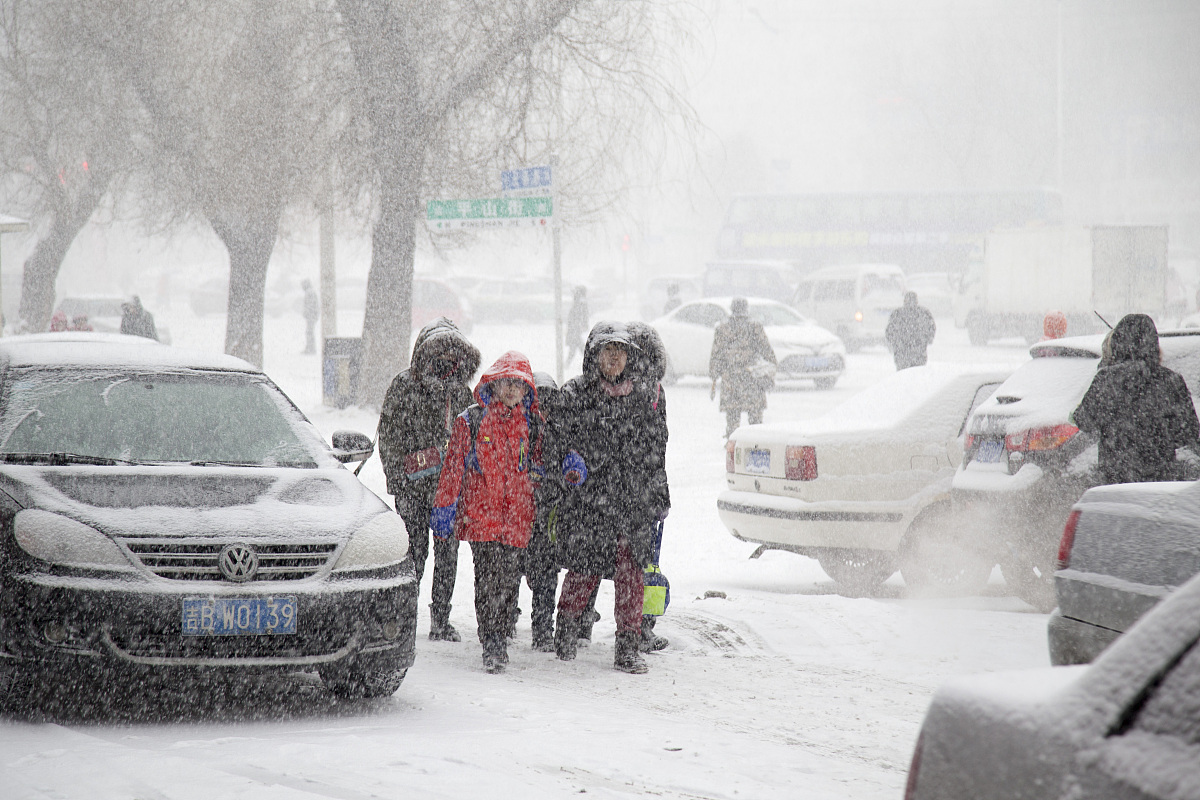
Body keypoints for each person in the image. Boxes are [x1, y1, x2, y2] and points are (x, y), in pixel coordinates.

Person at [548, 322, 669, 674]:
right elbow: (555, 439)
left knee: (631, 573)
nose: (613, 357)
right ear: (595, 355)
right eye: (607, 350)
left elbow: (656, 449)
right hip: (590, 499)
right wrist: (569, 459)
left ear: (630, 357)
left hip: (632, 500)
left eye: (620, 351)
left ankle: (627, 647)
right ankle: (566, 632)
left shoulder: (647, 397)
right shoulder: (575, 394)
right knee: (583, 568)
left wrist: (658, 494)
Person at [430, 352, 539, 674]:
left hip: (517, 516)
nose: (511, 390)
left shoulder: (530, 422)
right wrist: (445, 507)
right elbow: (453, 468)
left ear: (526, 390)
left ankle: (501, 631)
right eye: (506, 382)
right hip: (482, 517)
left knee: (508, 581)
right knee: (489, 580)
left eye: (518, 385)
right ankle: (491, 643)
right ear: (494, 383)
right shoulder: (471, 420)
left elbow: (538, 461)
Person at [378, 318, 481, 642]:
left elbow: (470, 441)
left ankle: (440, 619)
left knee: (448, 556)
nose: (446, 357)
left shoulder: (462, 393)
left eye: (453, 351)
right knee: (413, 556)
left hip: (449, 492)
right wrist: (398, 478)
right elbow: (389, 436)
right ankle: (403, 619)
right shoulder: (404, 385)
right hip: (413, 489)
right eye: (439, 350)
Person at [1072, 313, 1200, 485]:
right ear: (1153, 344)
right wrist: (1158, 441)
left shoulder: (1106, 380)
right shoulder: (1171, 381)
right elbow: (1188, 433)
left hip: (1115, 482)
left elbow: (1084, 420)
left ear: (1117, 343)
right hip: (1160, 484)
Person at [709, 297, 777, 438]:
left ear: (732, 309)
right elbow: (766, 350)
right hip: (752, 376)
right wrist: (772, 365)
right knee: (755, 415)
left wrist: (714, 373)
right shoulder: (755, 327)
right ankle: (756, 441)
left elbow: (716, 353)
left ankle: (732, 441)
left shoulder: (722, 328)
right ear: (746, 309)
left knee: (733, 415)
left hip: (731, 378)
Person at [884, 291, 935, 370]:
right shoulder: (924, 313)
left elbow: (889, 332)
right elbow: (931, 328)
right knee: (917, 373)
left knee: (904, 375)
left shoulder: (897, 314)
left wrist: (894, 343)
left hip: (902, 353)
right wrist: (927, 340)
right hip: (918, 352)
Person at [565, 286, 589, 364]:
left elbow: (582, 315)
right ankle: (589, 361)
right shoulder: (580, 302)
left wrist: (583, 324)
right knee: (576, 345)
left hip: (575, 327)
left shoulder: (580, 303)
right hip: (575, 327)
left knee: (576, 345)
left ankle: (589, 362)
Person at [302, 279, 319, 355]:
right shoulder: (310, 292)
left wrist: (307, 313)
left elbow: (310, 305)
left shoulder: (309, 292)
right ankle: (310, 347)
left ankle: (310, 348)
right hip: (312, 315)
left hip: (311, 316)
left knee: (309, 332)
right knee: (309, 332)